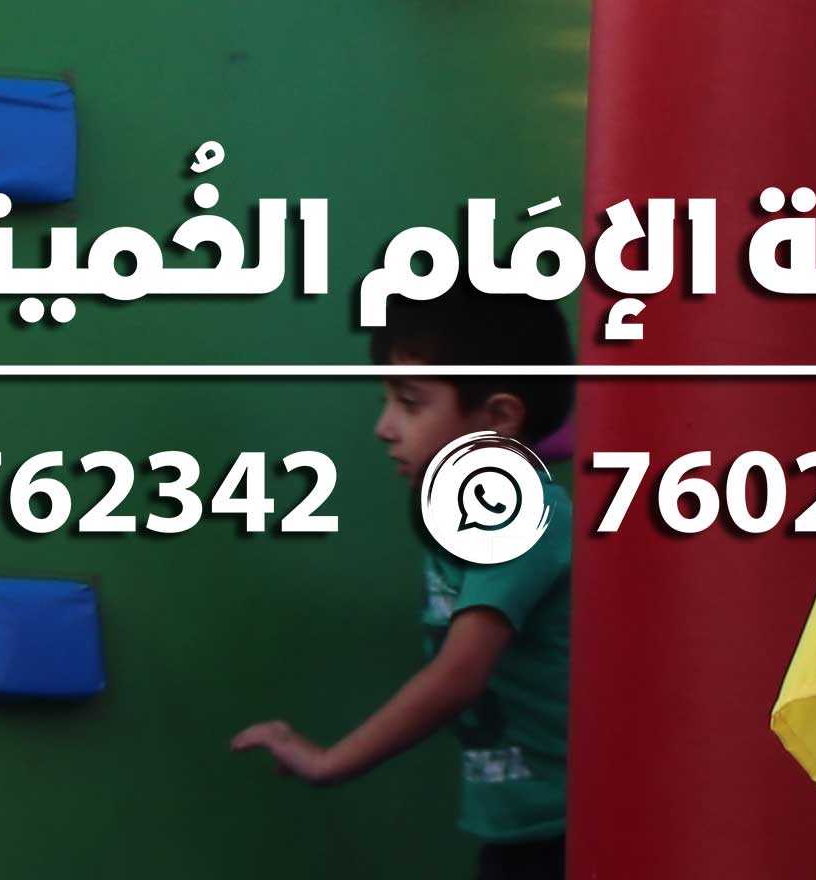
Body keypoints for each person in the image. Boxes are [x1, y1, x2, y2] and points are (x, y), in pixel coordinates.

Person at [229, 277, 577, 870]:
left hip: (565, 830)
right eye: (388, 400)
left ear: (499, 416)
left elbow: (458, 676)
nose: (385, 426)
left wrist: (329, 762)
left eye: (410, 403)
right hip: (521, 822)